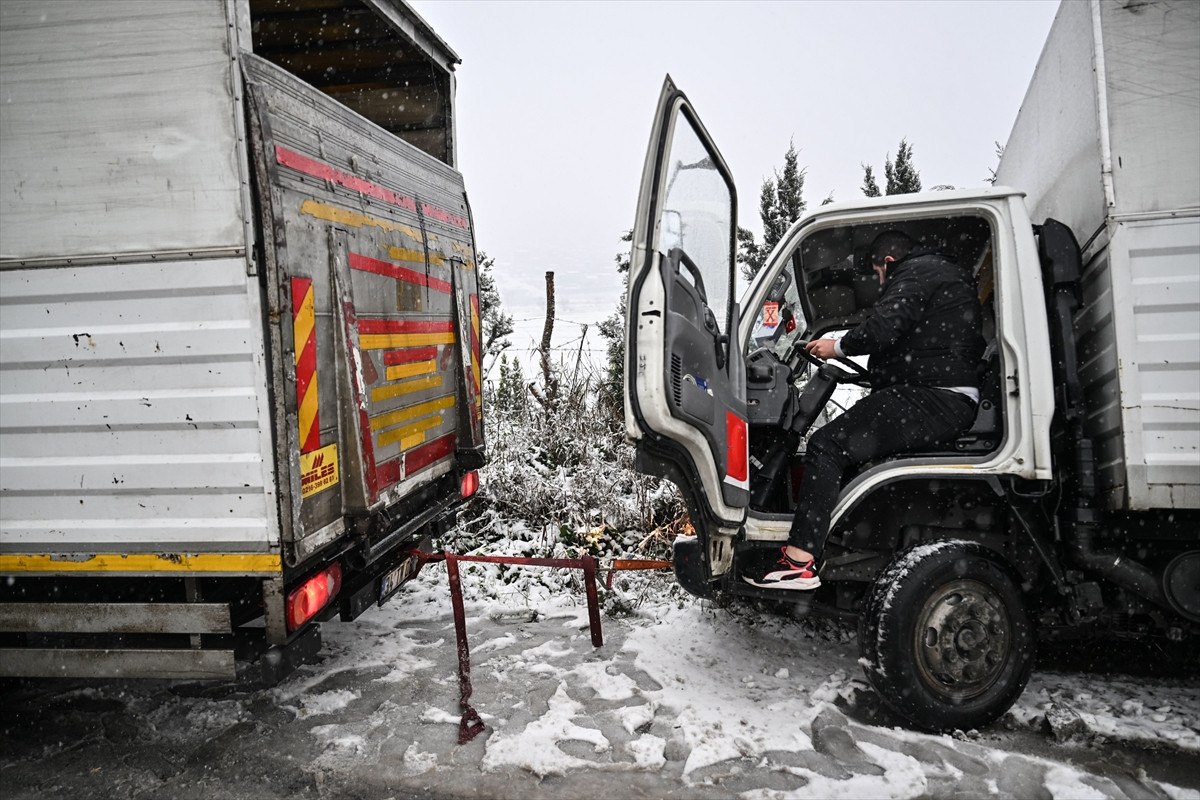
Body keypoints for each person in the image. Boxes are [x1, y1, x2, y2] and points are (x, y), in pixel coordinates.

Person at [744, 229, 985, 590]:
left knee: (827, 446)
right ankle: (833, 545)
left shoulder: (916, 270)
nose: (882, 283)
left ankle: (798, 562)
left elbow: (884, 327)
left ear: (888, 262)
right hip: (937, 394)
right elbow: (899, 338)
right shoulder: (936, 274)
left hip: (934, 396)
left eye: (879, 274)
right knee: (847, 449)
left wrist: (837, 346)